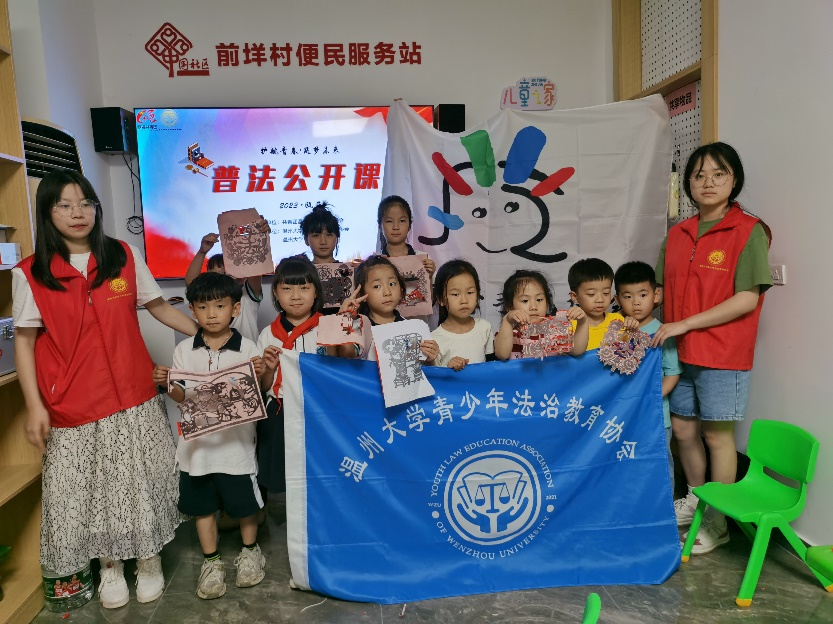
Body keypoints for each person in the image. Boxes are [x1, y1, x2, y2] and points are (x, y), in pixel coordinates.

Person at [12, 170, 197, 609]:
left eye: (85, 203)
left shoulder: (123, 255)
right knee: (92, 492)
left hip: (134, 394)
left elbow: (158, 307)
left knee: (140, 481)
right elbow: (23, 342)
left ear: (96, 208)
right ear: (47, 213)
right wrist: (34, 406)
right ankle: (110, 565)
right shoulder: (30, 273)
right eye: (64, 205)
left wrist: (213, 339)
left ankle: (148, 560)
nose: (77, 213)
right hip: (73, 404)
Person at [652, 142, 772, 554]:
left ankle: (718, 522)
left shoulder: (748, 231)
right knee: (684, 431)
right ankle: (697, 499)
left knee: (718, 437)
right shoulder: (678, 233)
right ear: (688, 183)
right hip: (677, 353)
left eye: (719, 174)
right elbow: (660, 292)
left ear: (734, 180)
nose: (708, 182)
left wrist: (685, 323)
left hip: (723, 352)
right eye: (699, 175)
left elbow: (747, 299)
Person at [153, 272, 267, 600]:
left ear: (235, 309)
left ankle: (250, 552)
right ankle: (212, 562)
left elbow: (256, 395)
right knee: (202, 507)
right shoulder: (184, 350)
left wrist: (261, 374)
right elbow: (181, 396)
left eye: (220, 306)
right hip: (197, 448)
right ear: (192, 311)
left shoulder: (247, 348)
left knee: (244, 505)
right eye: (203, 307)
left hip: (236, 445)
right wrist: (167, 384)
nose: (212, 314)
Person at [256, 256, 358, 495]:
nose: (295, 296)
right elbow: (264, 387)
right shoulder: (267, 334)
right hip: (280, 412)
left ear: (316, 292)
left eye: (304, 288)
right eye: (287, 289)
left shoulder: (328, 326)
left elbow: (343, 368)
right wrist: (269, 369)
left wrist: (343, 323)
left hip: (318, 411)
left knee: (320, 475)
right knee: (280, 480)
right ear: (275, 293)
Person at [614, 261, 682, 494]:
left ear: (656, 295)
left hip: (655, 415)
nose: (636, 302)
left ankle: (664, 508)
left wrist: (651, 396)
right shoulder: (614, 328)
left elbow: (672, 373)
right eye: (628, 296)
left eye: (643, 295)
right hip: (622, 414)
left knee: (659, 464)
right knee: (625, 462)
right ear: (617, 299)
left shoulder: (663, 332)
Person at [339, 255, 439, 362]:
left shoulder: (413, 329)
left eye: (392, 284)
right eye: (377, 286)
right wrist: (344, 317)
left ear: (401, 290)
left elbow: (420, 365)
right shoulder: (358, 329)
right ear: (361, 294)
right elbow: (346, 353)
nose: (387, 292)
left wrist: (429, 358)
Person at [185, 229, 265, 344]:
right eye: (217, 273)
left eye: (226, 272)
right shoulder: (205, 299)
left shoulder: (246, 298)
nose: (222, 276)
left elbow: (255, 270)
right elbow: (191, 282)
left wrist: (254, 238)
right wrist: (202, 252)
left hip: (249, 354)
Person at [494, 269, 589, 360]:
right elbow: (502, 355)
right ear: (510, 307)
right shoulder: (509, 333)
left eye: (539, 300)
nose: (534, 307)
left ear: (547, 303)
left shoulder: (555, 331)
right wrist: (507, 320)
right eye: (525, 301)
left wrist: (582, 322)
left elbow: (577, 351)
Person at [428, 259, 494, 370]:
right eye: (455, 294)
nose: (464, 300)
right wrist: (448, 368)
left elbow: (491, 367)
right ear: (441, 299)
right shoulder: (434, 339)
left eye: (470, 292)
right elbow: (435, 376)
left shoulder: (484, 327)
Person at [568, 258, 637, 349]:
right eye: (591, 294)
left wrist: (632, 328)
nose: (600, 299)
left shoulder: (618, 321)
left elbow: (630, 350)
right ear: (574, 297)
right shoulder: (568, 327)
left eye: (606, 293)